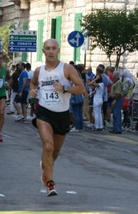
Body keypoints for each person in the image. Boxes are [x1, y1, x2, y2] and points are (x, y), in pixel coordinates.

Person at [29, 39, 86, 197]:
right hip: (44, 112)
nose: (51, 51)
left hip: (62, 114)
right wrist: (32, 92)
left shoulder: (66, 68)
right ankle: (50, 184)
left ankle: (45, 167)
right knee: (48, 146)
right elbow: (33, 84)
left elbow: (82, 89)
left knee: (55, 152)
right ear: (43, 51)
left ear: (58, 50)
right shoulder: (39, 71)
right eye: (48, 48)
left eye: (54, 48)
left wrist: (65, 88)